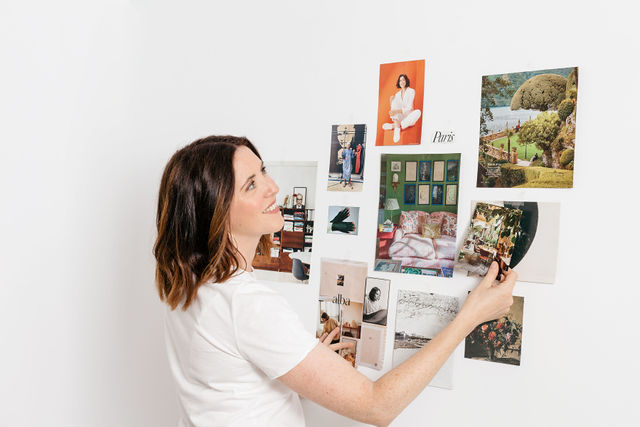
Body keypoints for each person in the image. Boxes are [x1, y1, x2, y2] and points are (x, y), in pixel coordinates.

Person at [154, 135, 516, 426]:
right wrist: (470, 317)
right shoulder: (247, 304)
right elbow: (378, 407)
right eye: (251, 185)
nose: (273, 187)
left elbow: (230, 386)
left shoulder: (189, 285)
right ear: (215, 210)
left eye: (263, 172)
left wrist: (304, 362)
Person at [382, 74, 422, 143]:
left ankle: (395, 126)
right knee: (393, 99)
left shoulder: (411, 91)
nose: (402, 82)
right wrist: (391, 101)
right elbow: (394, 108)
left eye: (403, 80)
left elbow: (409, 107)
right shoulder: (397, 94)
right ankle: (397, 129)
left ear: (406, 81)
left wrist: (396, 111)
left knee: (418, 112)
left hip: (409, 117)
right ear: (399, 82)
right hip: (400, 117)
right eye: (400, 80)